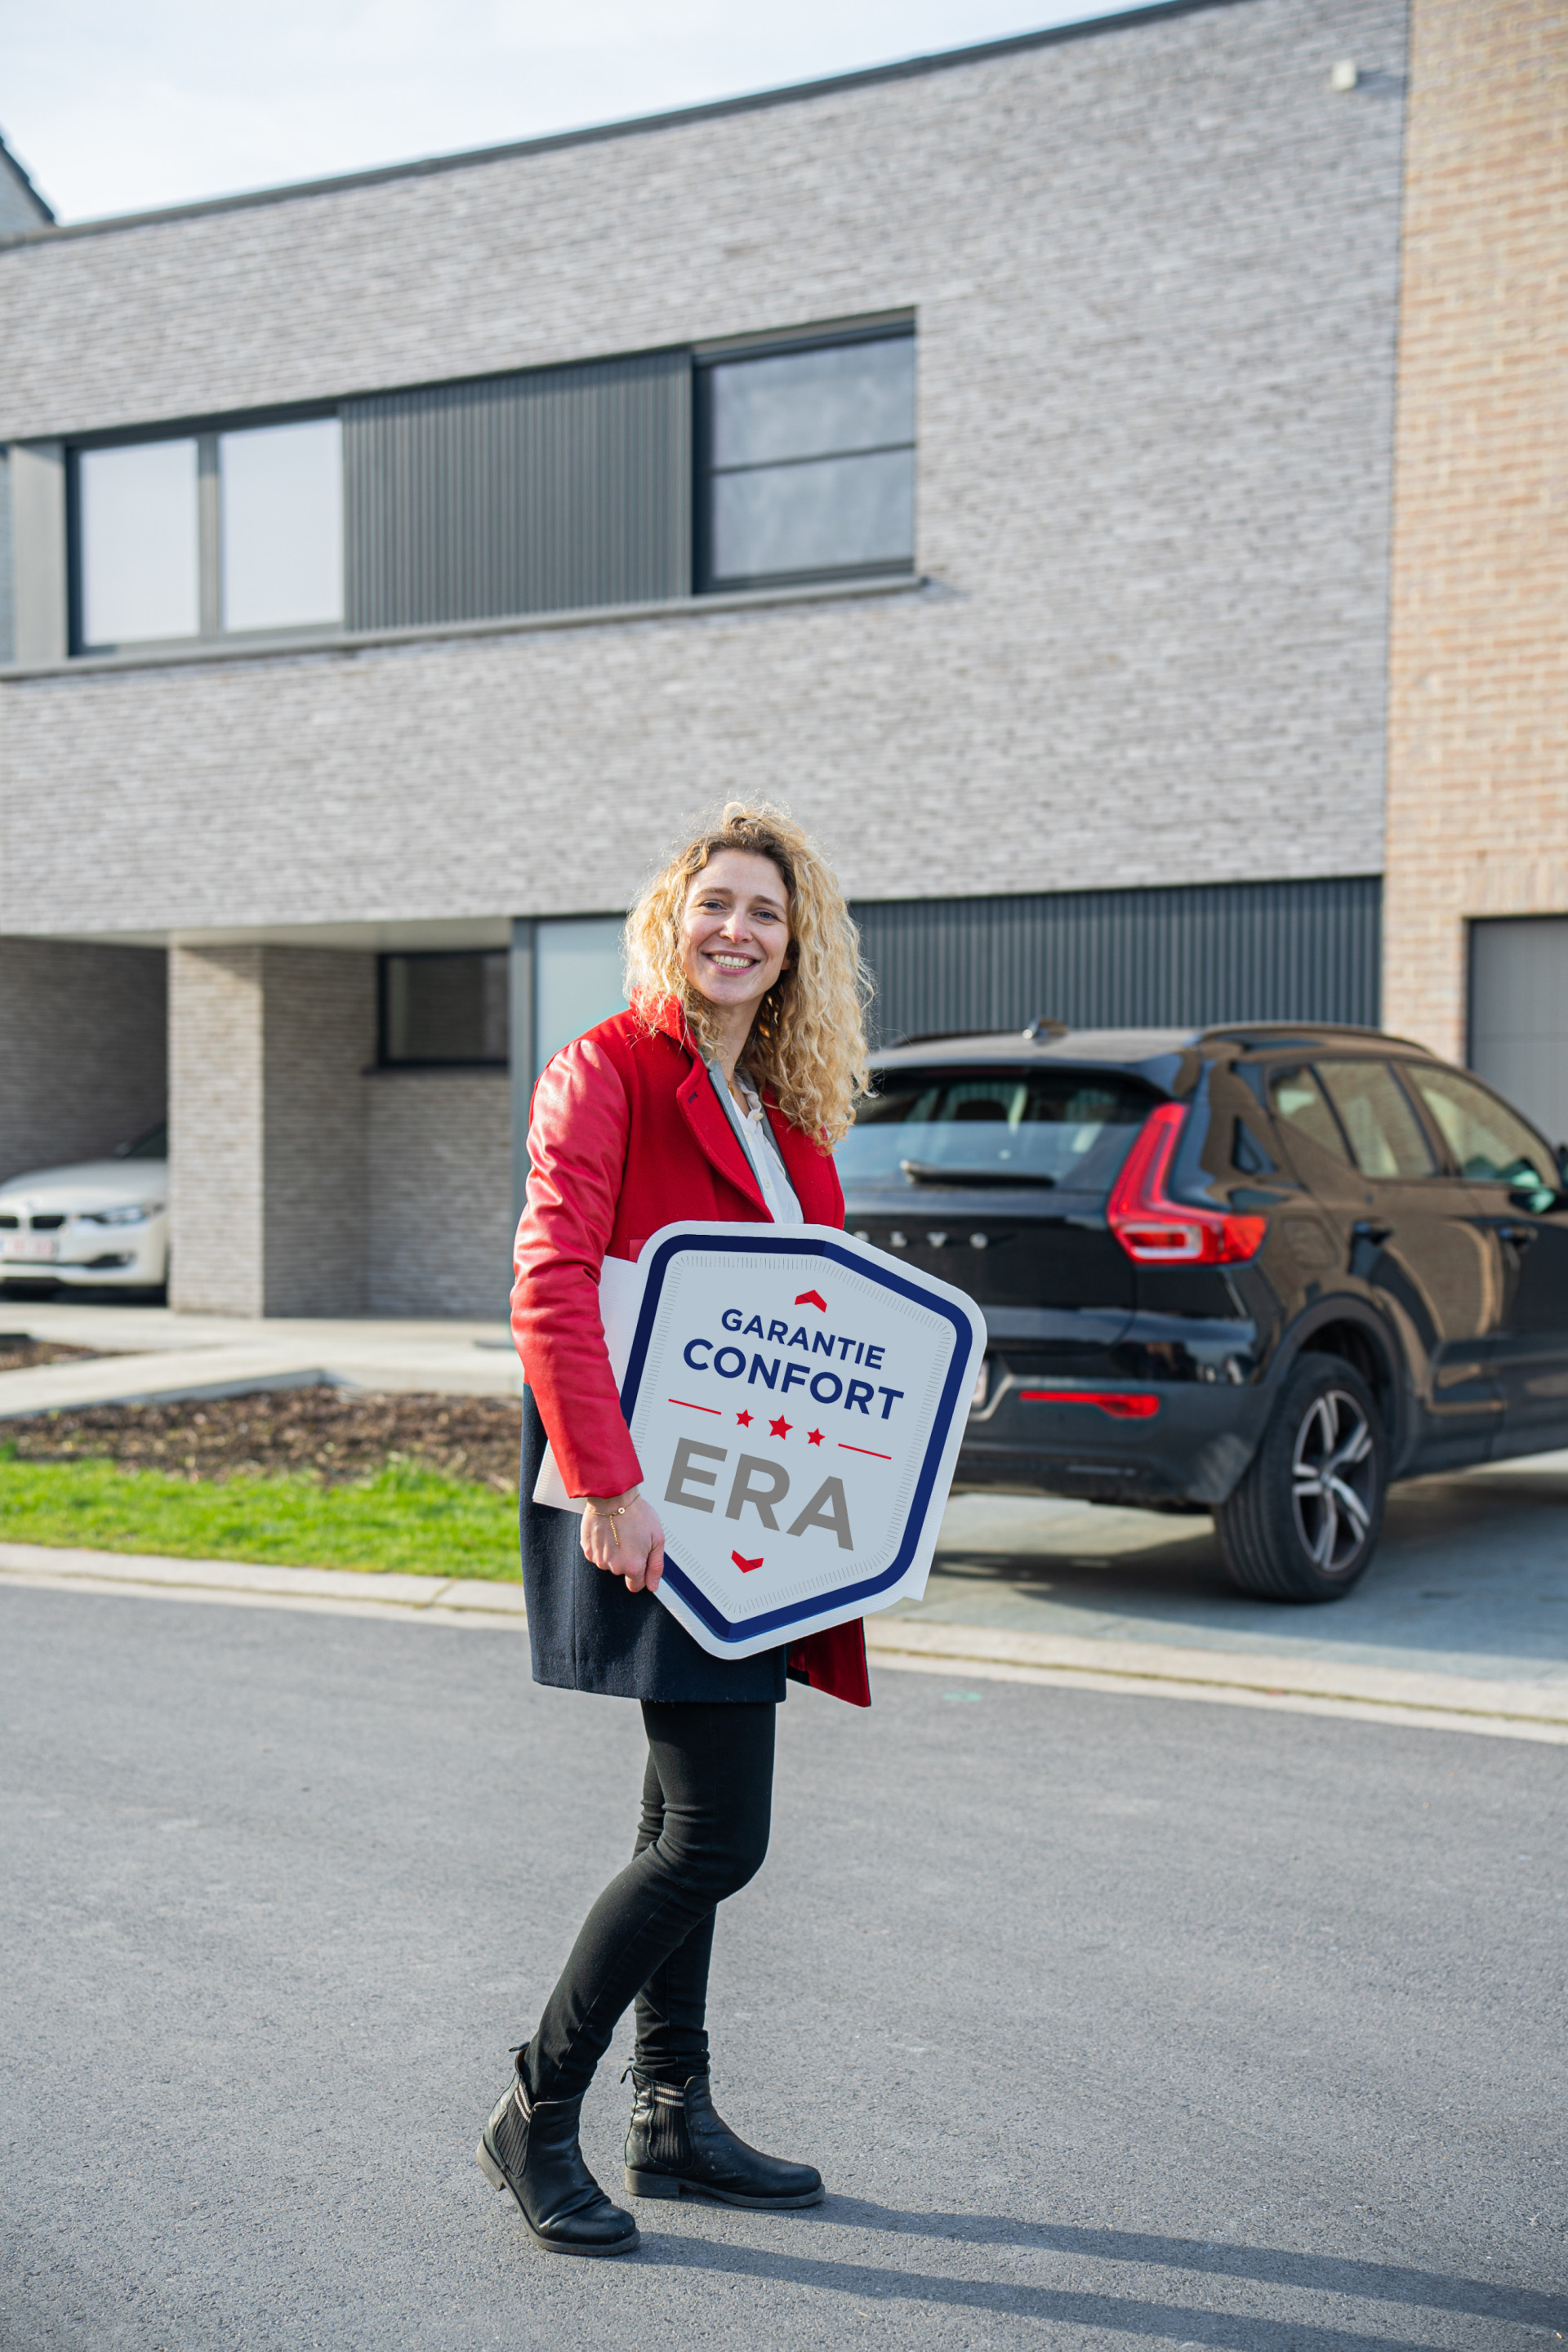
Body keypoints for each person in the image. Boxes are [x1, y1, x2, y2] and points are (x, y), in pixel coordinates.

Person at [478, 803, 873, 2257]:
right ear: (671, 915)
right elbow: (551, 1280)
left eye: (766, 912)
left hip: (747, 1507)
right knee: (715, 1837)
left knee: (674, 1818)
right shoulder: (607, 1070)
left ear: (796, 942)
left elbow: (825, 1315)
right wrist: (606, 1479)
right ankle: (537, 2110)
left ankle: (671, 2114)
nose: (738, 931)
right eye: (716, 903)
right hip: (643, 1490)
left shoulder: (782, 1109)